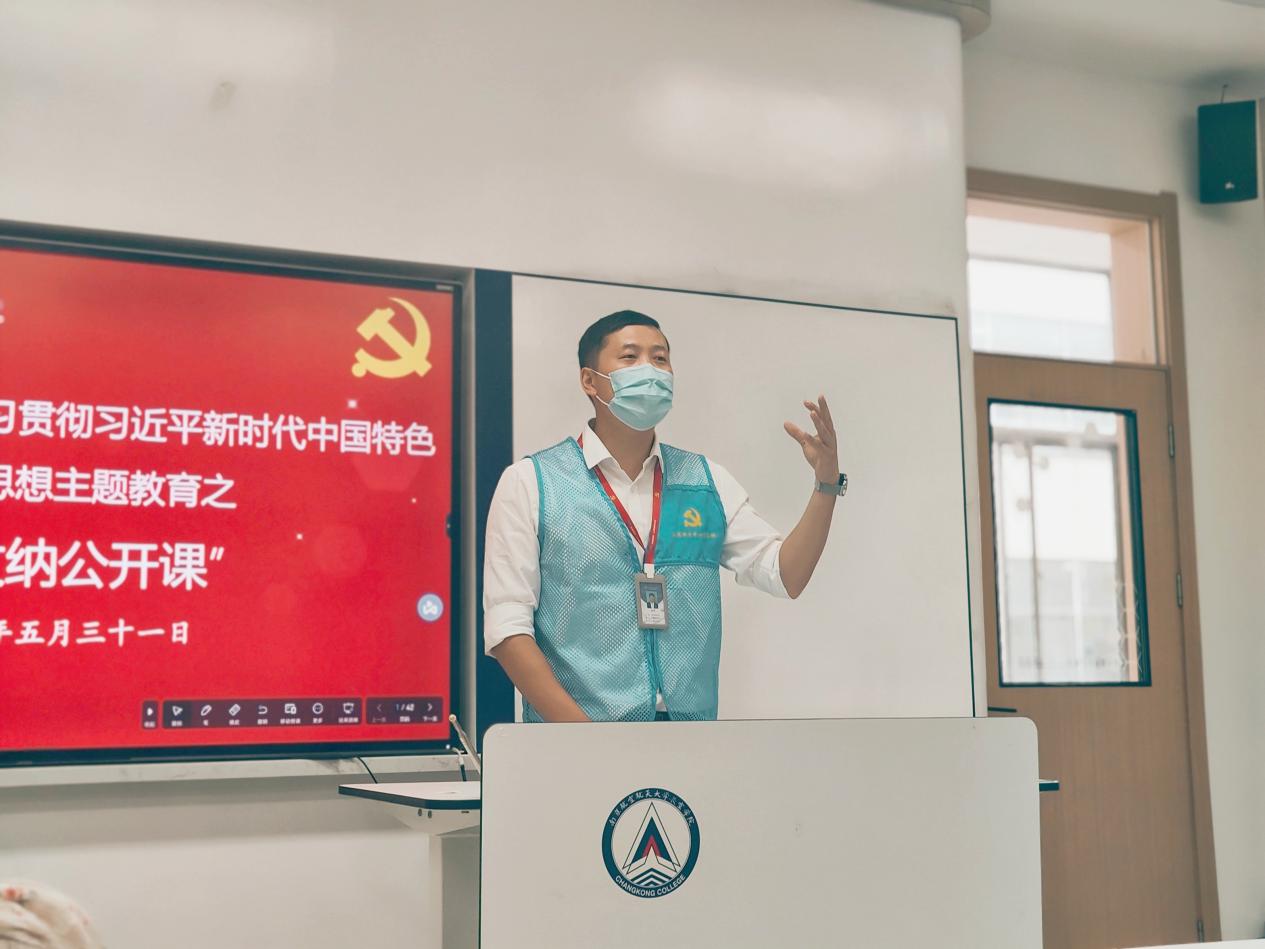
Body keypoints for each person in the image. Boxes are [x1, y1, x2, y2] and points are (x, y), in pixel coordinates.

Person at [483, 309, 845, 722]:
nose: (650, 371)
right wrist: (584, 739)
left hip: (687, 737)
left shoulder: (704, 482)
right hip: (576, 736)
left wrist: (826, 484)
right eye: (630, 357)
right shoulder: (533, 482)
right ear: (589, 381)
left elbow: (786, 574)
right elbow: (508, 630)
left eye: (660, 359)